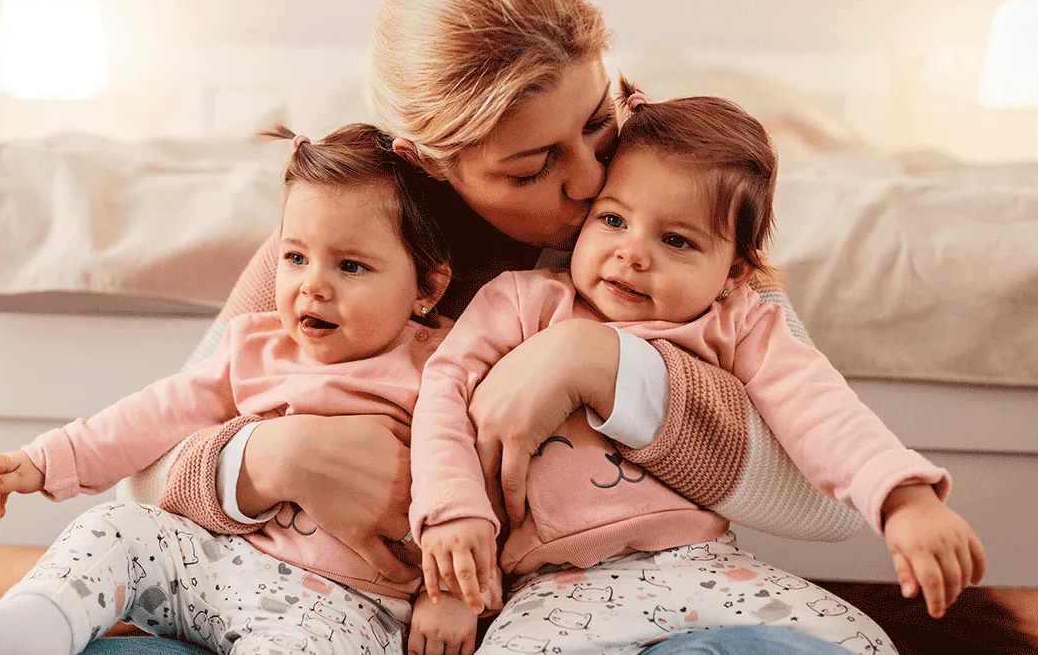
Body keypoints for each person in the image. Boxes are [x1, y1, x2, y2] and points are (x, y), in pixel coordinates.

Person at [95, 0, 893, 655]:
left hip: (616, 613)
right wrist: (269, 459)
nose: (590, 179)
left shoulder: (666, 226)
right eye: (532, 166)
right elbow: (143, 476)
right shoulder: (336, 253)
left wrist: (605, 365)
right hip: (334, 620)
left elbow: (827, 505)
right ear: (429, 163)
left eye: (599, 120)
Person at [411, 79, 986, 654]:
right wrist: (452, 527)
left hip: (703, 565)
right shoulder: (521, 301)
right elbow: (443, 395)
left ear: (734, 272)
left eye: (677, 241)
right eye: (613, 220)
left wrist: (906, 500)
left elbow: (818, 406)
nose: (632, 253)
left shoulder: (739, 321)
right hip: (555, 585)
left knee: (859, 642)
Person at [0, 124, 472, 655]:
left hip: (345, 607)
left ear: (427, 287)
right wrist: (46, 460)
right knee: (112, 530)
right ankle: (33, 623)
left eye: (350, 266)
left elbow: (474, 492)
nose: (312, 286)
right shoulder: (255, 344)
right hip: (215, 560)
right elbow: (155, 414)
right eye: (295, 257)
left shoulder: (444, 366)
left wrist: (449, 595)